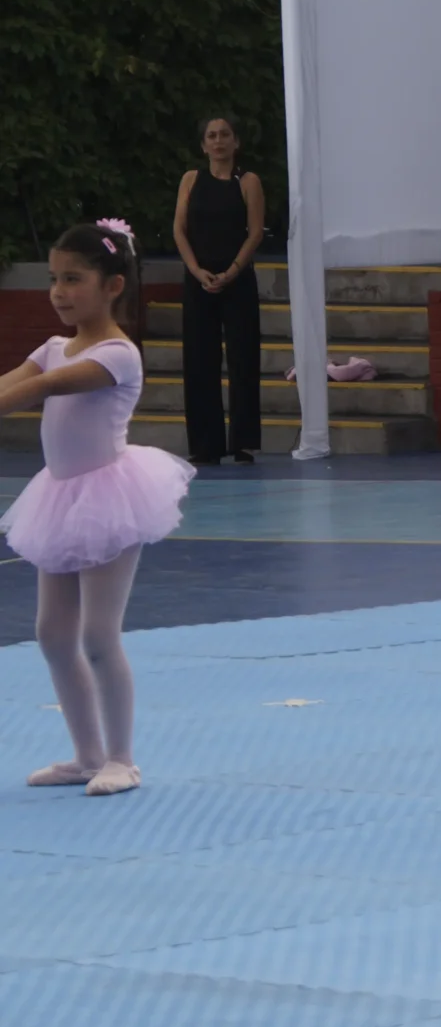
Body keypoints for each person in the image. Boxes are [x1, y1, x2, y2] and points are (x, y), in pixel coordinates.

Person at [0, 221, 194, 795]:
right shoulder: (52, 347)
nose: (59, 291)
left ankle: (122, 759)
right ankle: (86, 756)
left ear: (113, 286)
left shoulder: (119, 354)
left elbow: (42, 388)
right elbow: (14, 379)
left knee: (98, 635)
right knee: (52, 634)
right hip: (59, 498)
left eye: (73, 279)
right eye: (54, 279)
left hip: (110, 498)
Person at [172, 115, 266, 466]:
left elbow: (255, 232)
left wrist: (232, 271)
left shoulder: (248, 181)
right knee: (199, 360)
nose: (218, 141)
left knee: (243, 358)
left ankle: (243, 442)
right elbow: (179, 229)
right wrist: (197, 270)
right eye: (211, 136)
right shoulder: (190, 180)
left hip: (237, 279)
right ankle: (205, 444)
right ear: (203, 145)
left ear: (235, 141)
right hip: (199, 280)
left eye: (225, 135)